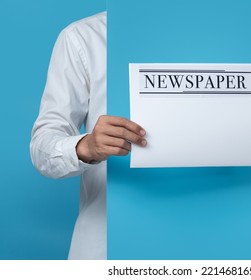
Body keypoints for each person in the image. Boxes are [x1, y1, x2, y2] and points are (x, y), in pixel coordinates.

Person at [30, 11, 147, 260]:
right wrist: (87, 147)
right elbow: (42, 146)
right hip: (104, 247)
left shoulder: (227, 30)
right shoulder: (83, 37)